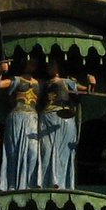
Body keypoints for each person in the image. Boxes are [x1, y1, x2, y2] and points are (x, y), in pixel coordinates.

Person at [38, 58, 95, 190]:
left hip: (62, 119)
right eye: (48, 64)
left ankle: (61, 183)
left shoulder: (67, 81)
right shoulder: (44, 84)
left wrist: (91, 83)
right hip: (46, 119)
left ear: (59, 67)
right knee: (45, 150)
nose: (50, 66)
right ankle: (45, 182)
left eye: (53, 64)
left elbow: (86, 91)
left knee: (62, 151)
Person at [0, 56, 44, 191]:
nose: (33, 64)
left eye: (35, 62)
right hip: (17, 117)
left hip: (32, 118)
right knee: (14, 151)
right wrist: (0, 71)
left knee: (33, 151)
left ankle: (29, 184)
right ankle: (12, 184)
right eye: (30, 62)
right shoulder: (16, 80)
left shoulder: (40, 83)